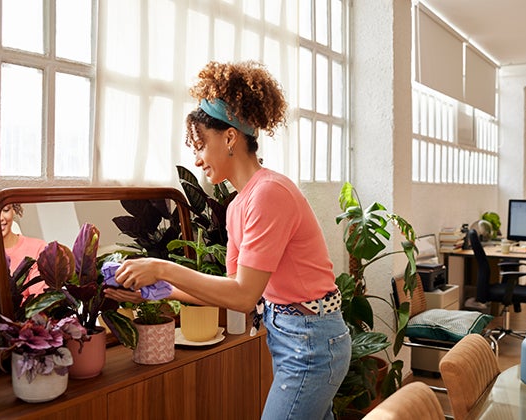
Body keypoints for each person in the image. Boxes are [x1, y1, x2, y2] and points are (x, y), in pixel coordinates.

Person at [114, 60, 351, 420]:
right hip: (296, 340)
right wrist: (156, 288)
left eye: (201, 144)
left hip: (311, 344)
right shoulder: (240, 204)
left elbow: (244, 295)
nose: (196, 158)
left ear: (229, 138)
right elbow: (232, 291)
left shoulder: (269, 194)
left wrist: (162, 267)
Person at [1, 203, 47, 298]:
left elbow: (39, 301)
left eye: (5, 210)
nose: (0, 218)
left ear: (14, 210)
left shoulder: (38, 248)